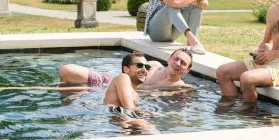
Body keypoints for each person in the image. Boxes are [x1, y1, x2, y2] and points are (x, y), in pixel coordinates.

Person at [58, 48, 194, 90]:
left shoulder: (179, 88)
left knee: (69, 88)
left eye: (183, 63)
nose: (177, 63)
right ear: (169, 60)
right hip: (108, 82)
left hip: (117, 95)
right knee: (66, 70)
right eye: (176, 59)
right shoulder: (153, 65)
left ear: (187, 70)